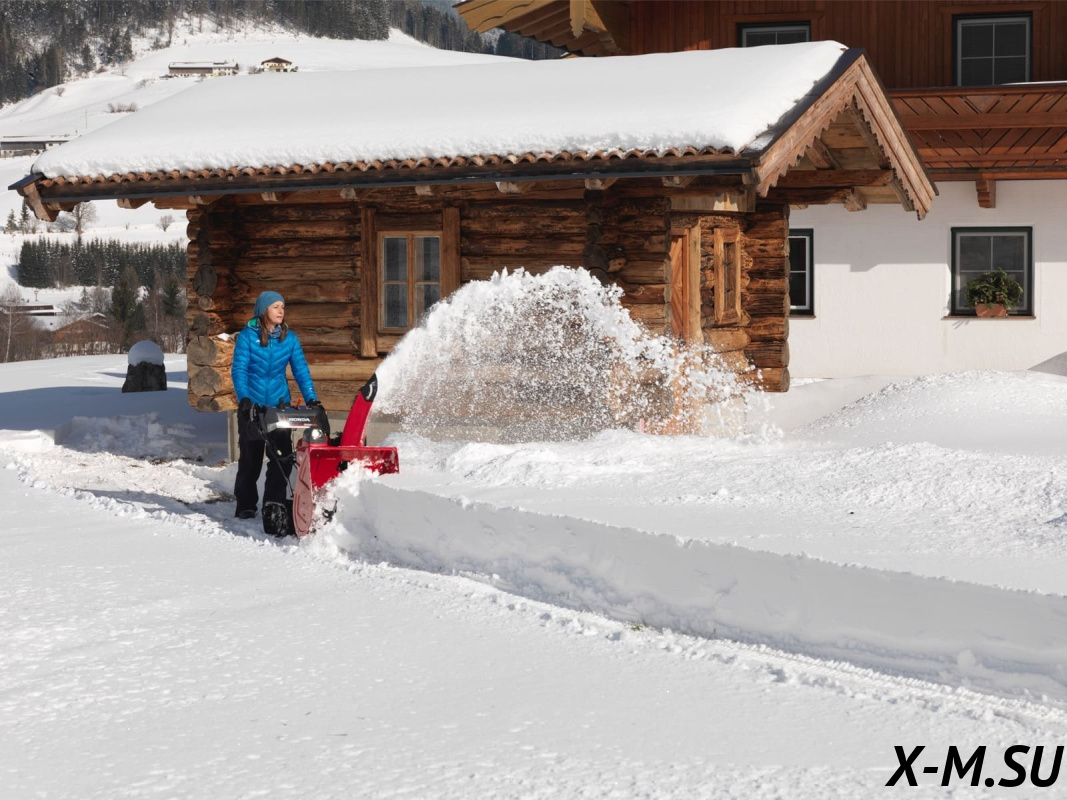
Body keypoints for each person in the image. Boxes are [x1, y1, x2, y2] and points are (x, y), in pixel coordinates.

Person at [231, 290, 321, 534]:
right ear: (264, 310)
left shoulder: (288, 338)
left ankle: (274, 504)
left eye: (283, 306)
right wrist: (245, 399)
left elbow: (301, 370)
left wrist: (311, 398)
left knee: (281, 458)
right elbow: (239, 370)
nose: (281, 311)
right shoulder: (247, 337)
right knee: (250, 460)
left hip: (279, 407)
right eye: (276, 306)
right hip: (252, 407)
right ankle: (246, 504)